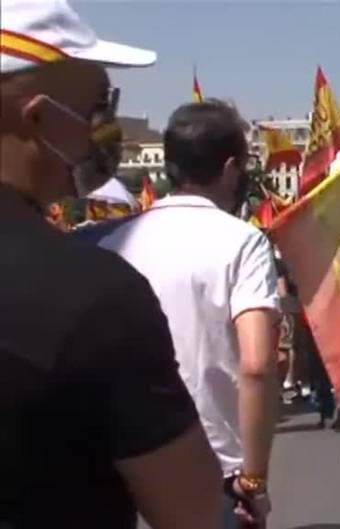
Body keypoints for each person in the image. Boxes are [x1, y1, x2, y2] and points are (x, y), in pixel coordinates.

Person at [0, 1, 221, 528]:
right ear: (38, 117)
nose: (105, 127)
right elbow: (191, 512)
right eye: (100, 105)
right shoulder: (91, 297)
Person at [88, 101, 281, 527]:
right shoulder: (242, 243)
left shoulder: (111, 245)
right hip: (215, 473)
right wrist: (255, 478)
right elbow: (257, 364)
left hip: (121, 471)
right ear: (232, 167)